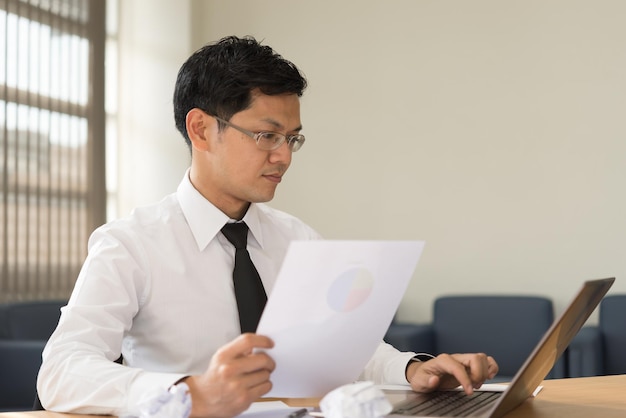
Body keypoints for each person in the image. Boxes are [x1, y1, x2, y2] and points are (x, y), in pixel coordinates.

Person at [37, 35, 498, 418]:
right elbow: (61, 371)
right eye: (266, 136)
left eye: (291, 138)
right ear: (200, 129)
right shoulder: (130, 244)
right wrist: (188, 393)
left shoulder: (297, 238)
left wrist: (414, 369)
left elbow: (345, 350)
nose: (284, 156)